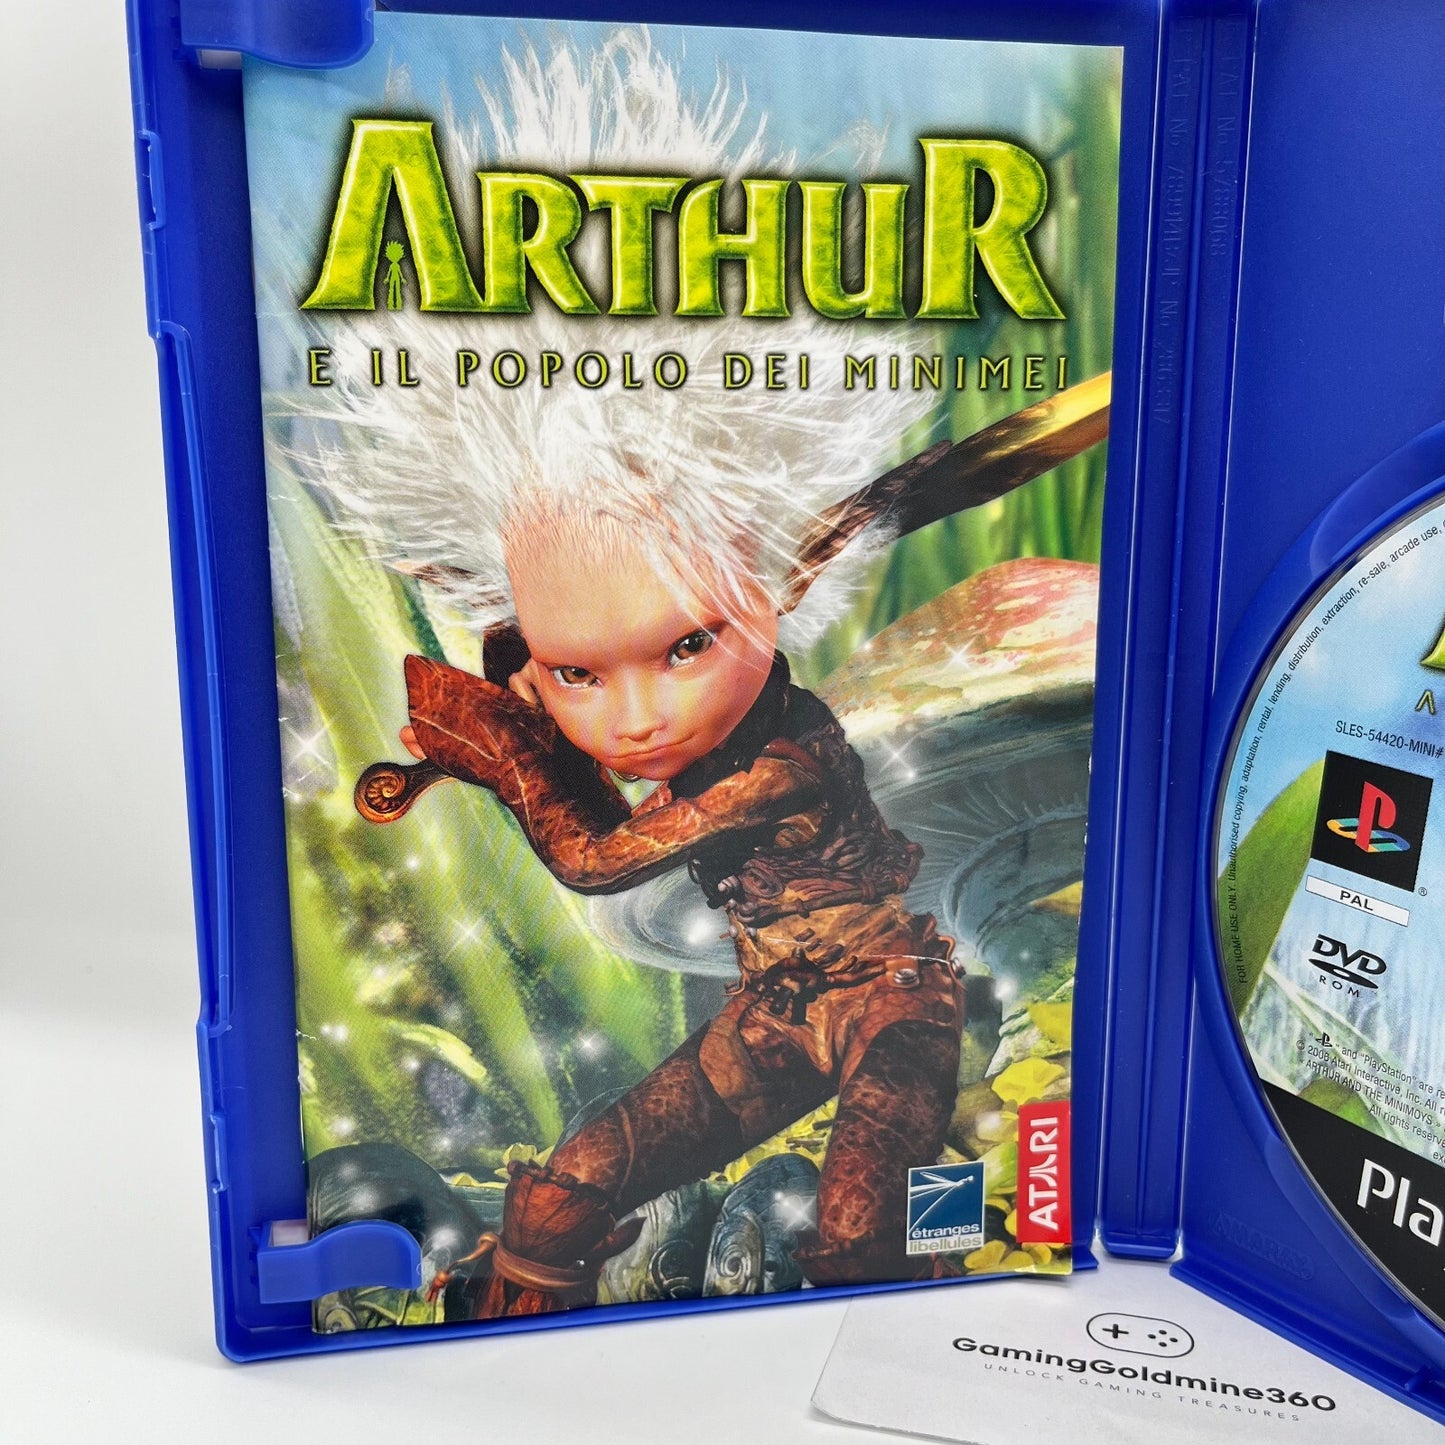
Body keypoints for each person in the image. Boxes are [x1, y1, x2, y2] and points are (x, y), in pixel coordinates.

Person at [357, 479, 963, 1316]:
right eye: (580, 673)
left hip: (888, 1006)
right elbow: (613, 830)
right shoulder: (708, 757)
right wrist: (539, 747)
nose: (638, 721)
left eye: (687, 648)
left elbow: (597, 860)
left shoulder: (776, 769)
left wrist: (511, 760)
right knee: (553, 1205)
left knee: (861, 1236)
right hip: (770, 1020)